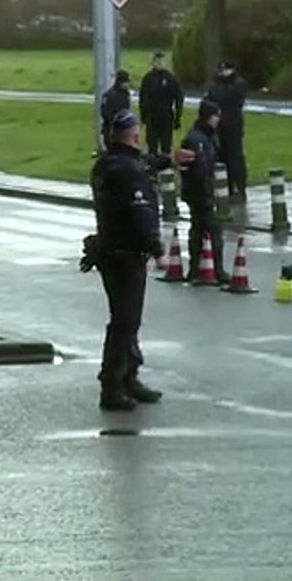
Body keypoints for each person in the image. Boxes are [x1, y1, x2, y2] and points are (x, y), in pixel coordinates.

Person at [86, 110, 194, 411]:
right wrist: (158, 250)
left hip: (108, 249)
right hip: (127, 253)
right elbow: (141, 212)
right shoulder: (130, 172)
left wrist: (169, 159)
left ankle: (128, 375)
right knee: (125, 321)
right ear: (134, 135)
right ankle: (112, 385)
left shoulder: (107, 164)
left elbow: (145, 161)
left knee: (125, 319)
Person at [179, 101, 228, 285]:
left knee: (198, 229)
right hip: (198, 192)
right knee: (213, 229)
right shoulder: (196, 139)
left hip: (201, 191)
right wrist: (205, 188)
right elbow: (196, 168)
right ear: (209, 116)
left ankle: (194, 269)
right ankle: (217, 270)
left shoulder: (207, 137)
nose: (218, 120)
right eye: (216, 116)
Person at [203, 60, 248, 201]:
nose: (223, 73)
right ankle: (226, 188)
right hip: (219, 127)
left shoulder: (238, 84)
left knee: (235, 158)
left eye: (226, 70)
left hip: (233, 126)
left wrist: (215, 93)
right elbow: (209, 99)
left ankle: (239, 189)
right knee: (221, 158)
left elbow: (221, 97)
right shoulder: (218, 84)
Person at [138, 51, 185, 156]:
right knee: (152, 143)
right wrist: (143, 115)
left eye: (162, 61)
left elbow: (179, 98)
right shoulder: (148, 78)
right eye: (157, 61)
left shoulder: (171, 79)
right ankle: (152, 164)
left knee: (166, 143)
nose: (159, 64)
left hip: (166, 115)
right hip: (152, 115)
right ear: (153, 63)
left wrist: (178, 116)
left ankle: (165, 164)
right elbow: (142, 97)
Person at [99, 69, 133, 151]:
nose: (128, 84)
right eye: (126, 82)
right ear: (120, 82)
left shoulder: (126, 94)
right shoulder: (109, 96)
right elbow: (106, 113)